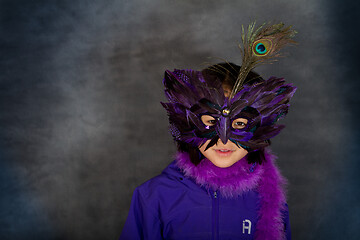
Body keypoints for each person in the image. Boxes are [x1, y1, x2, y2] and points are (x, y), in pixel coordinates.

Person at [120, 22, 297, 240]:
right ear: (188, 122)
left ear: (261, 128)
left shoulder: (271, 201)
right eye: (210, 123)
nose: (223, 139)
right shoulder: (153, 197)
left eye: (240, 124)